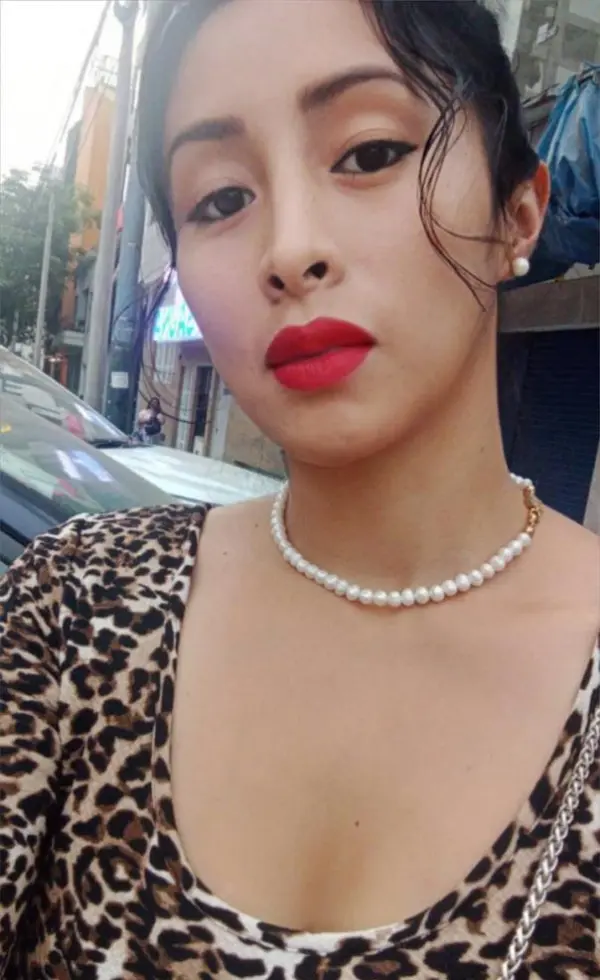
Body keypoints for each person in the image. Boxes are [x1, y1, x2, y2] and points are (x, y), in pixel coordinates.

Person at [1, 2, 598, 977]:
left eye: (369, 154)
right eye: (220, 199)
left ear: (517, 215)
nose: (289, 250)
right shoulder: (76, 608)